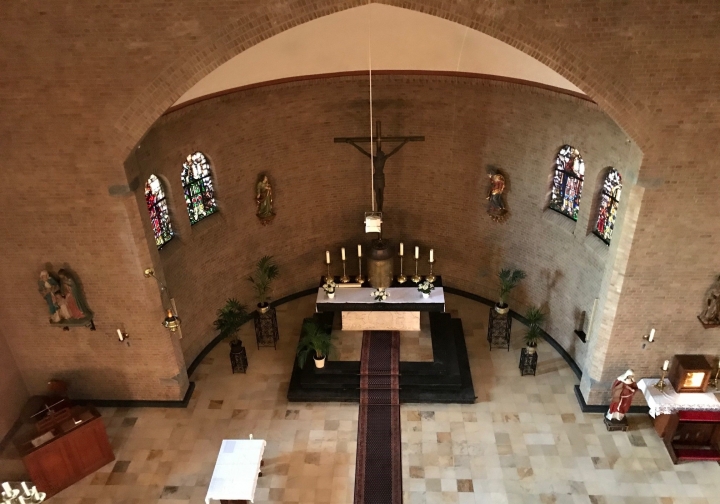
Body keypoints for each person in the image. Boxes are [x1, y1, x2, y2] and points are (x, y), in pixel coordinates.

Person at [344, 139, 410, 213]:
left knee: (380, 194)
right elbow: (363, 151)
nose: (377, 154)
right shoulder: (379, 159)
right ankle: (379, 208)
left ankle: (380, 208)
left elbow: (394, 151)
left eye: (378, 153)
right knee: (378, 194)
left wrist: (404, 142)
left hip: (378, 177)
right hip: (378, 177)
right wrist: (353, 143)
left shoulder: (378, 159)